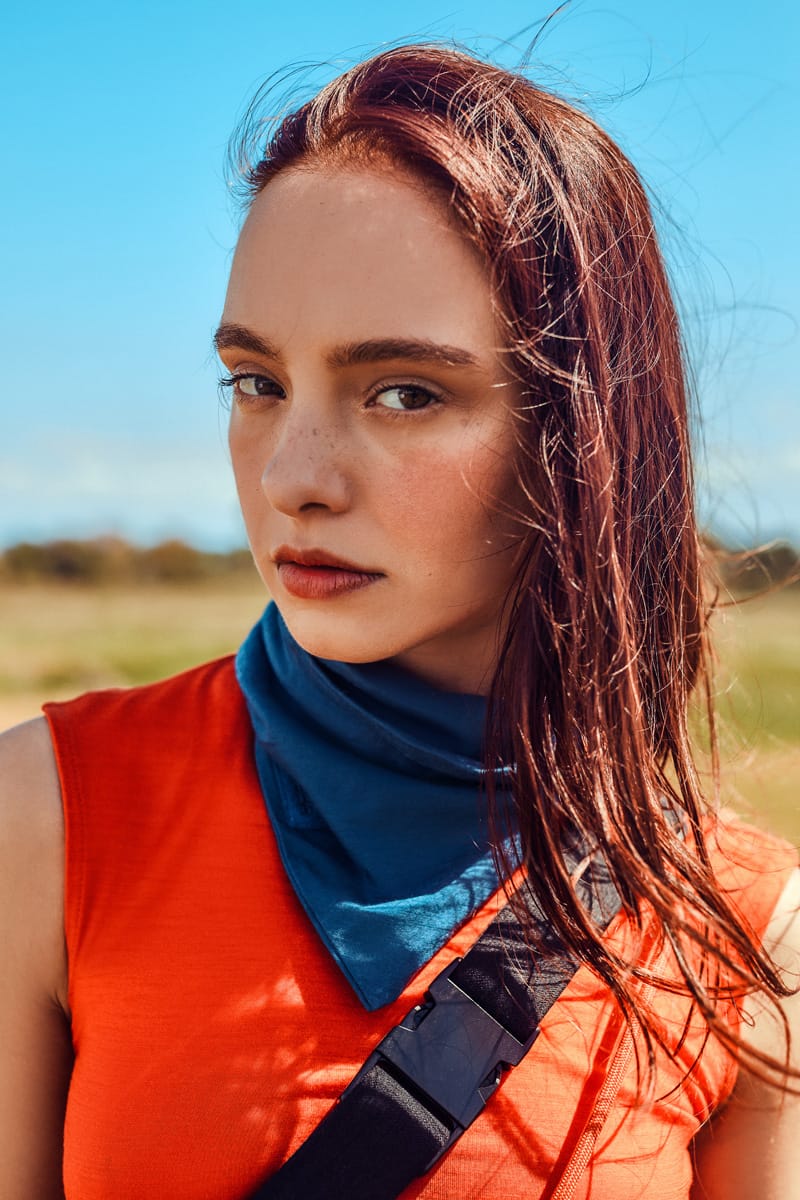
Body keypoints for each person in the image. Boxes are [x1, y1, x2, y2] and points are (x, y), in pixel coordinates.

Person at [0, 42, 798, 1200]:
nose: (293, 476)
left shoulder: (735, 928)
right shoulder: (53, 815)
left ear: (578, 437)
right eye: (255, 382)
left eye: (404, 392)